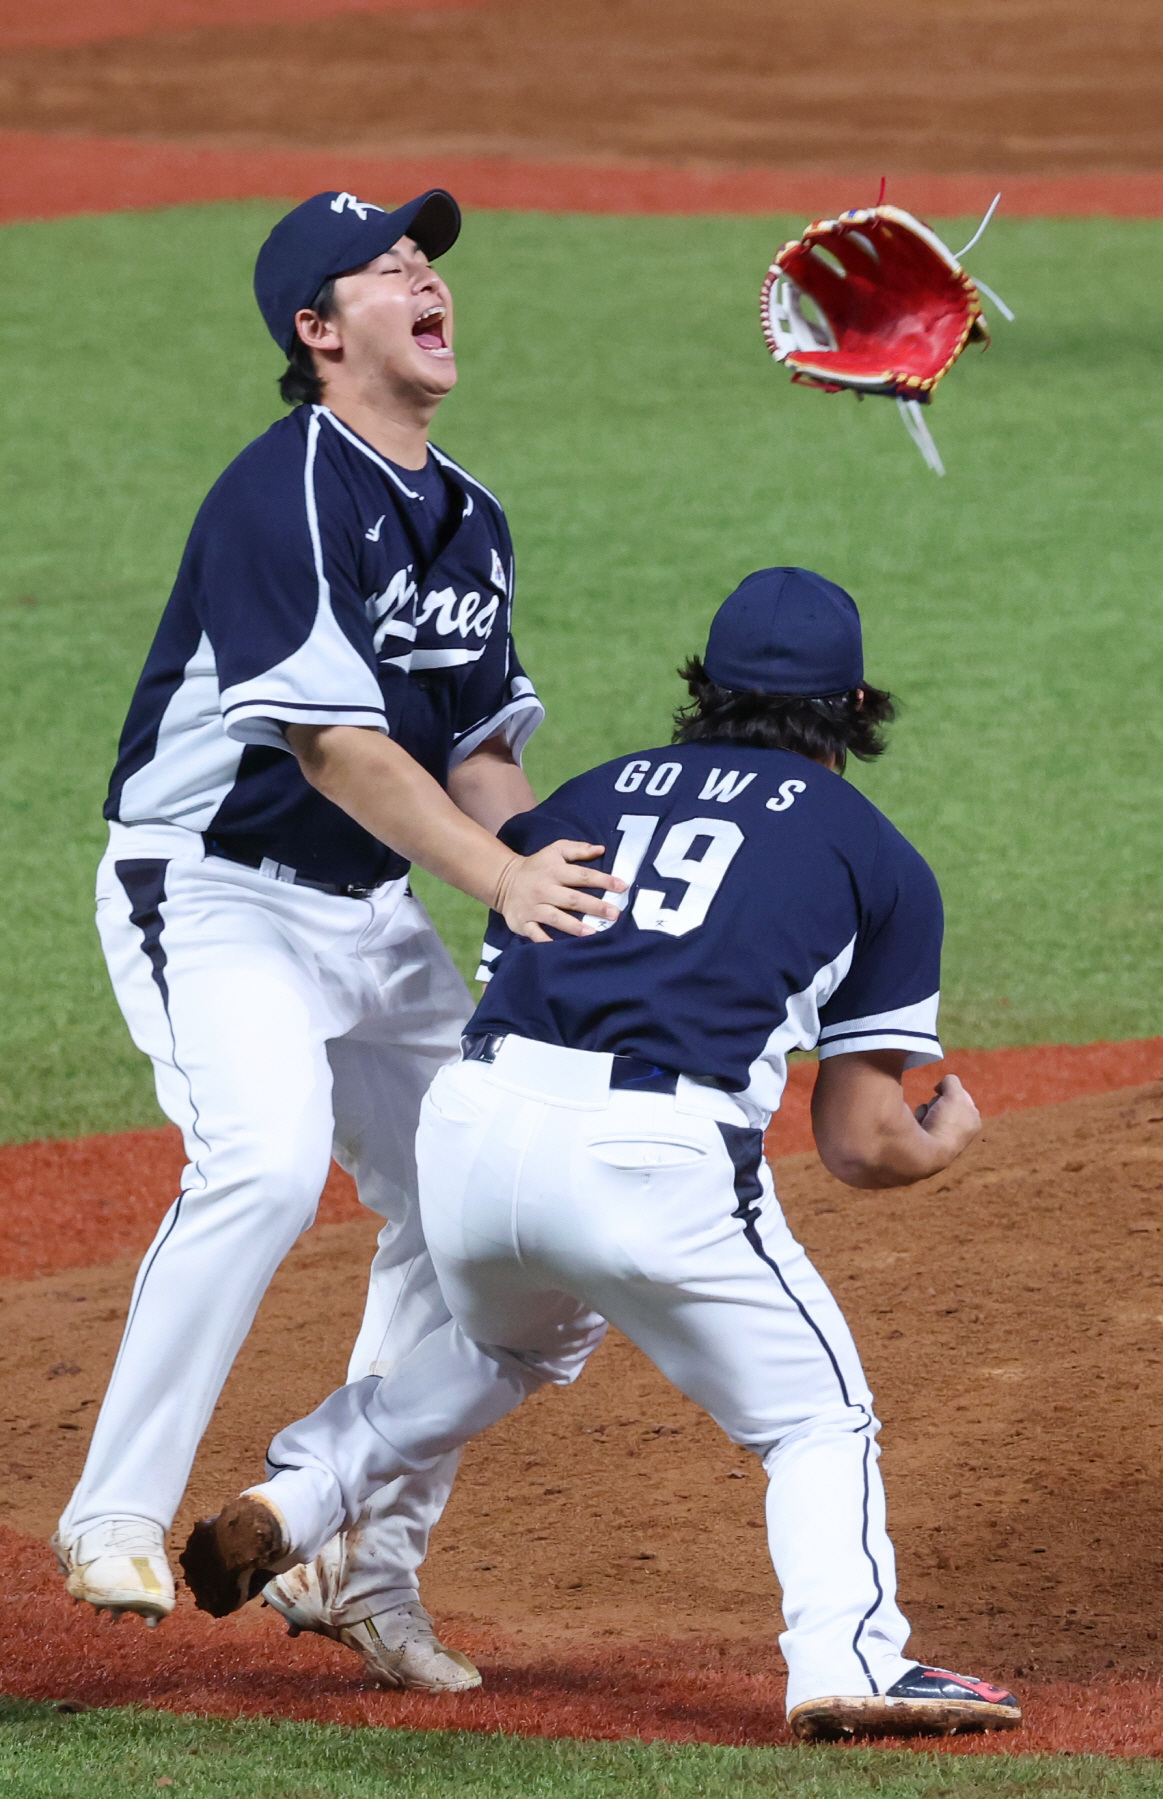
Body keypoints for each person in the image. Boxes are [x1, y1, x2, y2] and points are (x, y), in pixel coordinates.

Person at [181, 566, 1022, 1740]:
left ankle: (299, 1489)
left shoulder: (585, 794)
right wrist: (939, 1143)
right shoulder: (873, 852)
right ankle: (849, 1654)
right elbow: (858, 1143)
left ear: (705, 693)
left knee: (503, 1340)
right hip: (651, 1156)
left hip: (473, 1131)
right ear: (855, 710)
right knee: (816, 1416)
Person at [53, 187, 622, 1694]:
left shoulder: (470, 511)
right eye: (388, 264)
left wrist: (547, 876)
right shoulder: (286, 487)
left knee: (477, 1208)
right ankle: (112, 1505)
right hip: (214, 885)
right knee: (261, 1157)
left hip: (366, 909)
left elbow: (480, 744)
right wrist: (498, 881)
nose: (425, 272)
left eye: (428, 257)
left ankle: (352, 1553)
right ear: (319, 329)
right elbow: (333, 749)